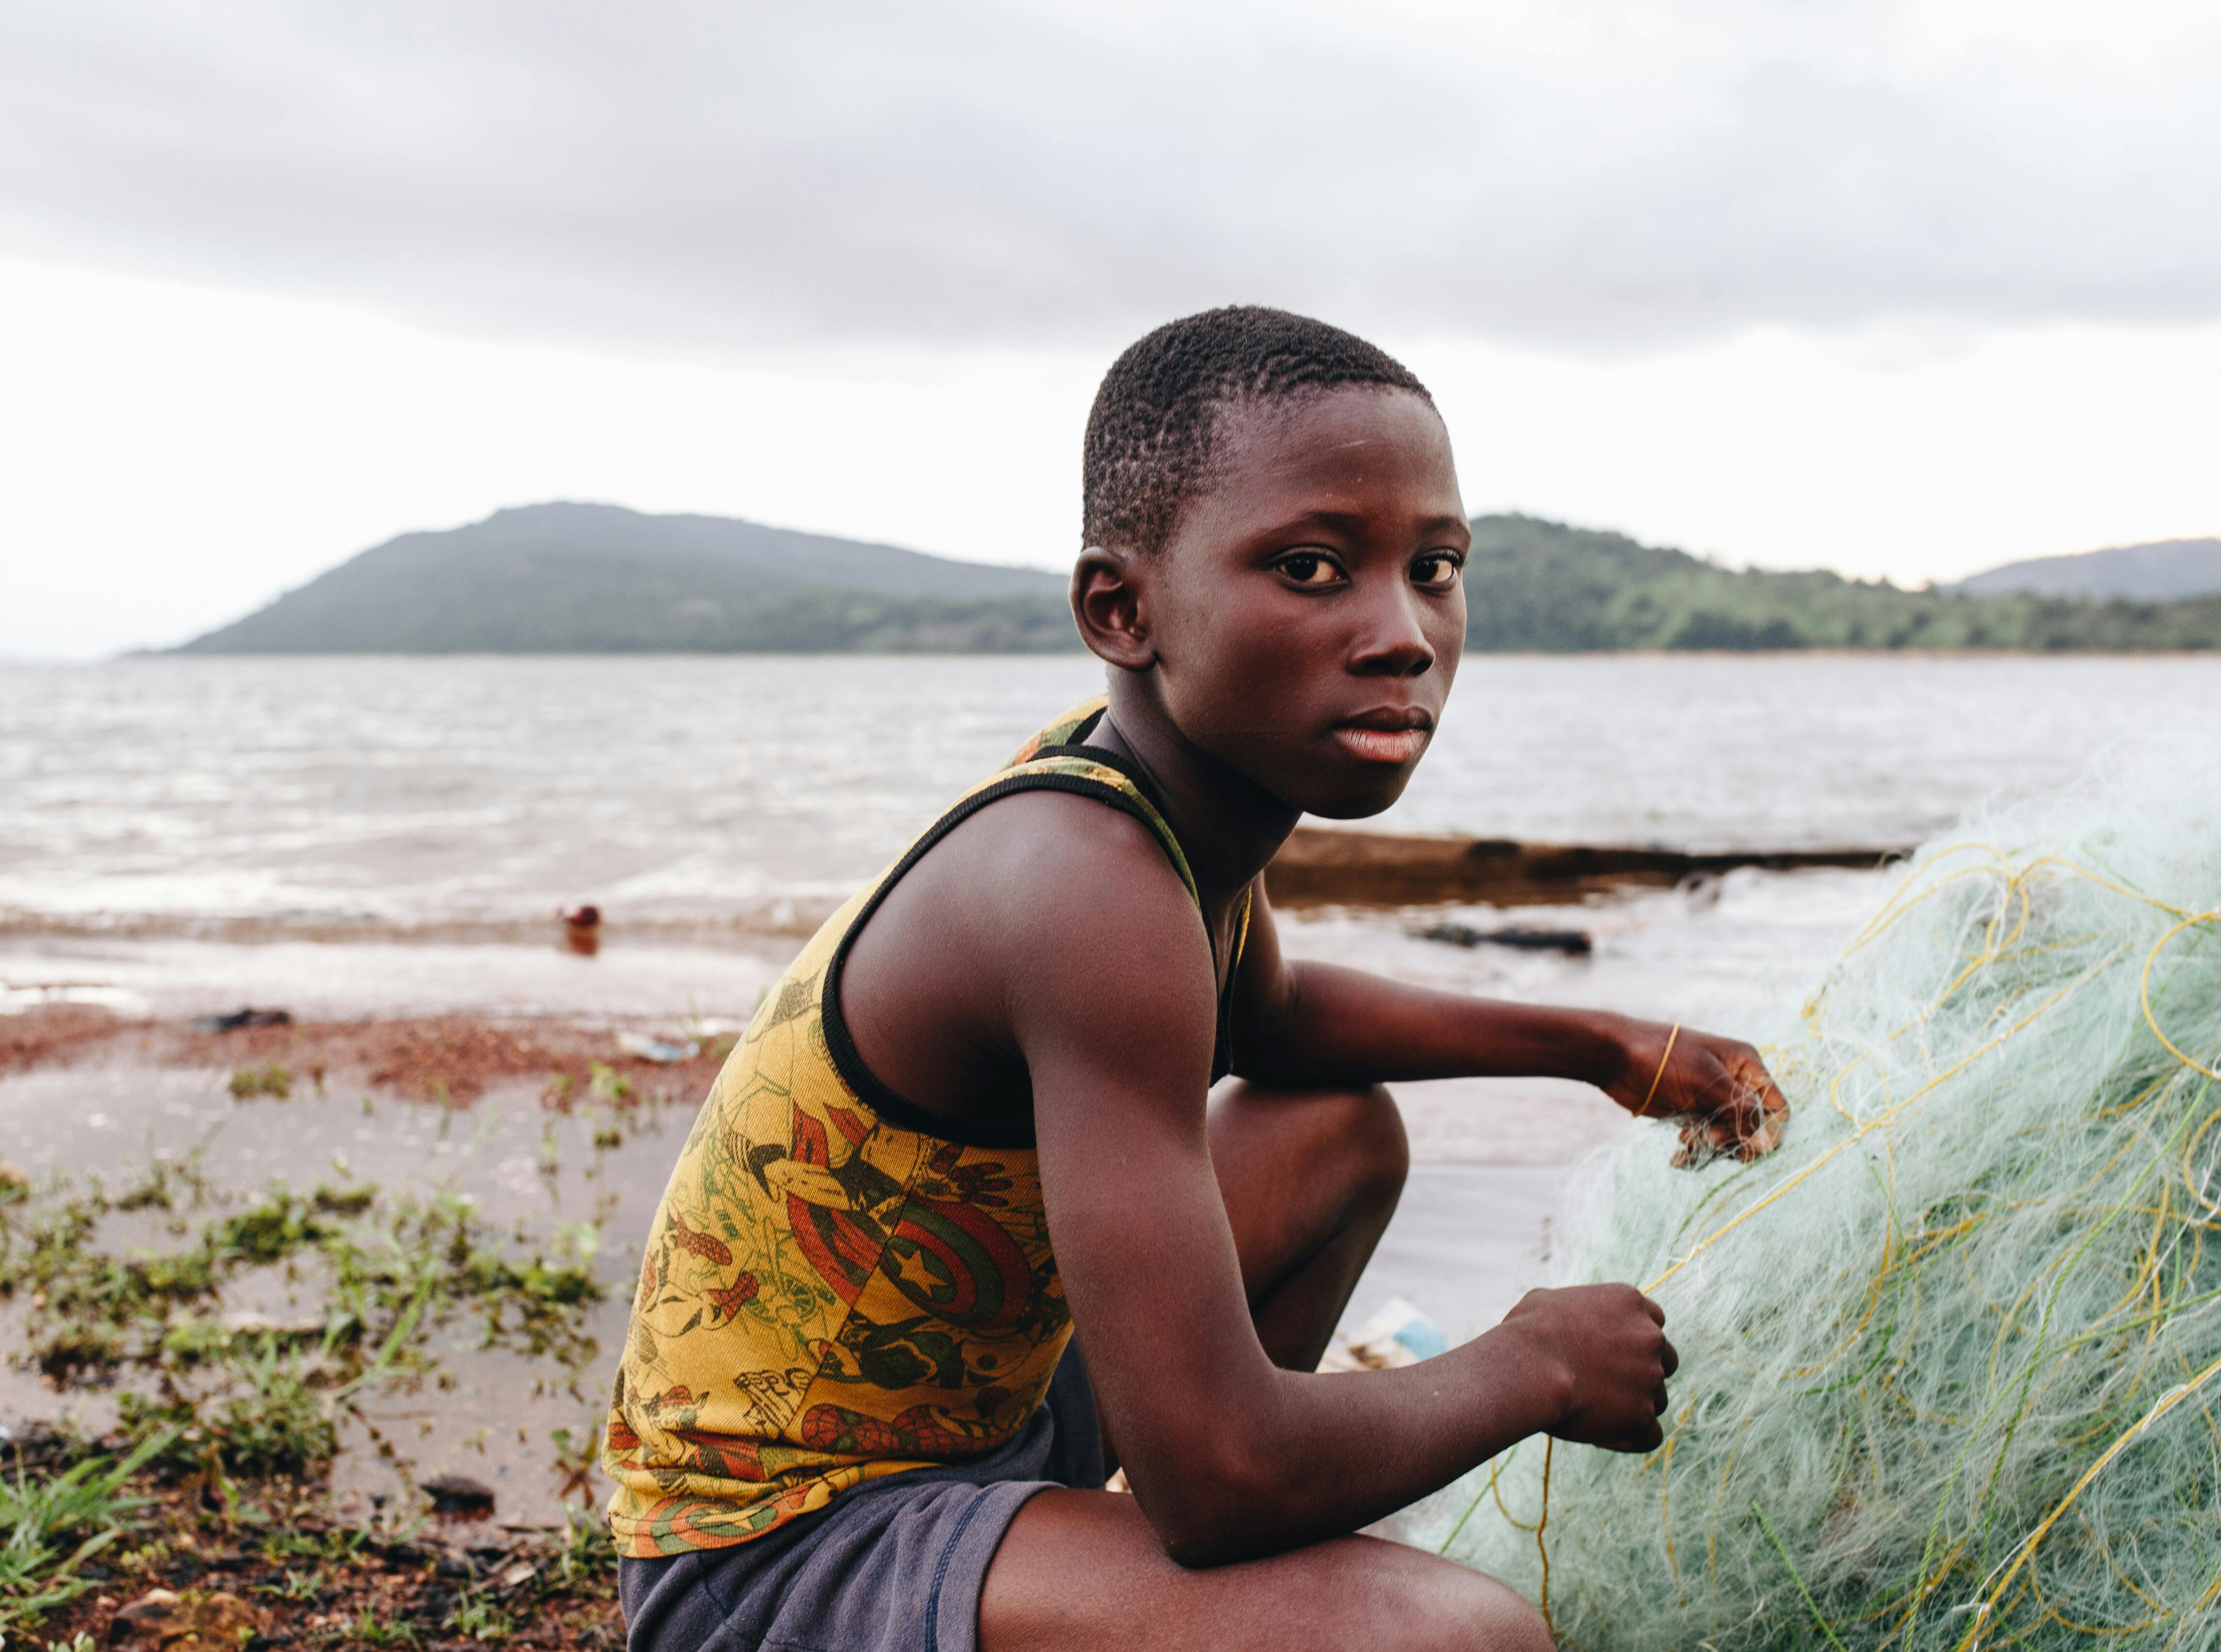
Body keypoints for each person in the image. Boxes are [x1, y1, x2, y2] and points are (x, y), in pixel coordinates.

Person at [605, 306, 1790, 1652]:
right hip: (777, 1553)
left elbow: (1269, 1023)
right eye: (1310, 567)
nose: (1402, 630)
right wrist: (1535, 1363)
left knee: (1333, 1127)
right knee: (1459, 1639)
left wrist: (1595, 1040)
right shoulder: (1083, 887)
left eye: (1438, 566)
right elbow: (1217, 1480)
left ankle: (1175, 1589)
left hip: (982, 1427)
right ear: (1125, 610)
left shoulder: (1168, 805)